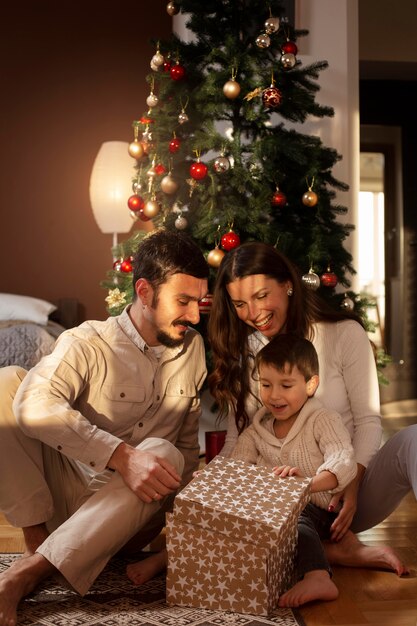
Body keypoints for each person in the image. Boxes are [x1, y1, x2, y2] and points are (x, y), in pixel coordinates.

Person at [0, 228, 209, 626]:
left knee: (163, 454)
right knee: (6, 383)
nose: (195, 315)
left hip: (131, 519)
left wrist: (190, 536)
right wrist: (120, 455)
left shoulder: (193, 348)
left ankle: (28, 573)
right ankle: (37, 550)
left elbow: (184, 452)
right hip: (68, 498)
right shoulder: (88, 342)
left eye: (198, 301)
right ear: (144, 292)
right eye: (183, 301)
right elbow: (33, 407)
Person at [208, 240, 412, 574]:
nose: (253, 312)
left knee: (413, 441)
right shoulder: (247, 351)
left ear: (288, 284)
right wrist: (216, 489)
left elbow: (368, 421)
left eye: (261, 296)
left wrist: (353, 484)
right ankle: (335, 553)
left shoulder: (344, 334)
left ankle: (332, 546)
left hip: (345, 493)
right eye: (240, 304)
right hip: (281, 503)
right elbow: (238, 436)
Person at [230, 333, 357, 607]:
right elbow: (236, 468)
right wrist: (214, 482)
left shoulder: (322, 420)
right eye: (266, 384)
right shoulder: (256, 432)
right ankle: (169, 559)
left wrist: (308, 484)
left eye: (286, 385)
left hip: (318, 510)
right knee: (233, 524)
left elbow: (343, 459)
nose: (274, 395)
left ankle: (318, 576)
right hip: (272, 516)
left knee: (294, 515)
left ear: (310, 384)